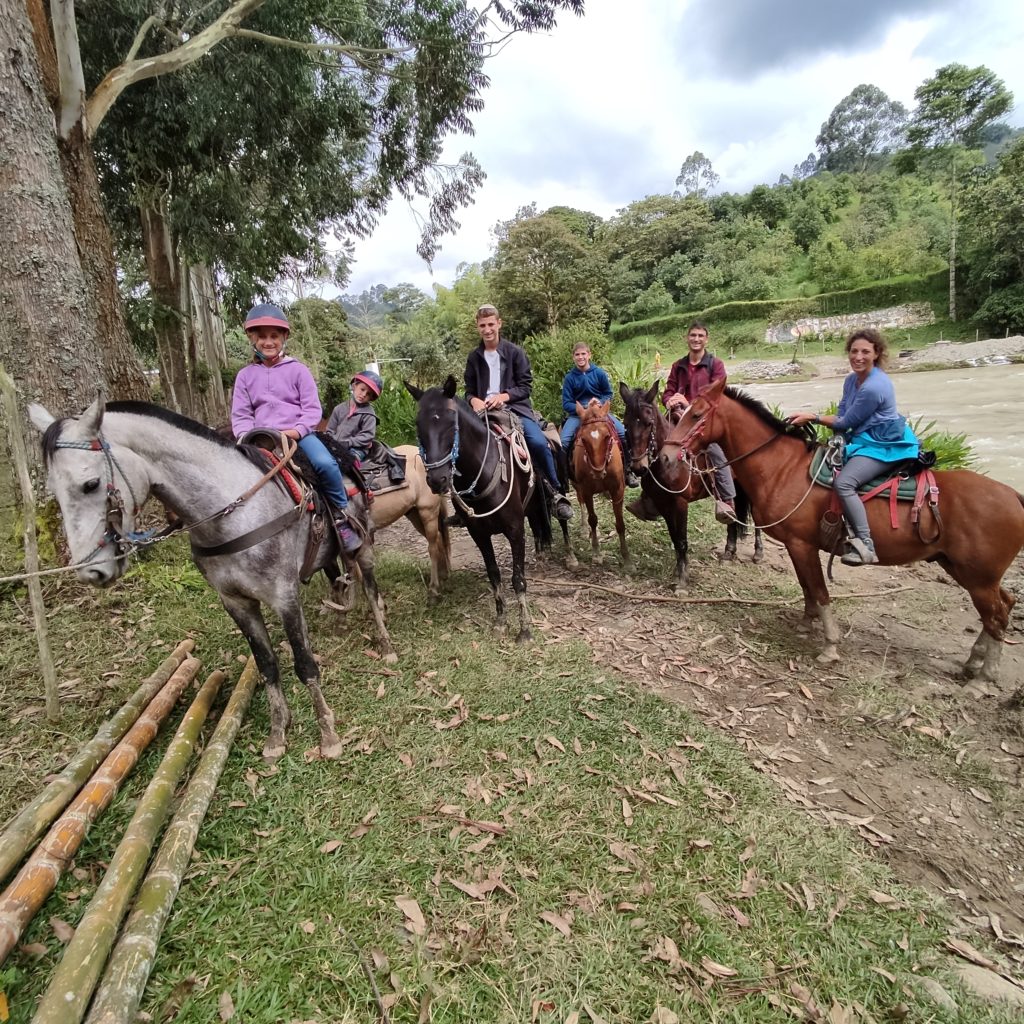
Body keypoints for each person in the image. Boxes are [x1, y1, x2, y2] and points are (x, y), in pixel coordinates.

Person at [230, 303, 362, 553]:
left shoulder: (298, 370)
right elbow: (241, 414)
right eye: (262, 337)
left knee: (325, 464)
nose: (268, 342)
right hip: (259, 440)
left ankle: (343, 517)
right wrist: (246, 436)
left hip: (298, 436)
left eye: (274, 336)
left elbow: (312, 409)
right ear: (253, 339)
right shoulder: (245, 376)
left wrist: (296, 431)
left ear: (283, 338)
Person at [788, 327, 921, 566]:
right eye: (854, 351)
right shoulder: (852, 380)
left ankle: (865, 543)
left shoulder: (874, 386)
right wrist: (838, 437)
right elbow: (842, 413)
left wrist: (812, 417)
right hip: (862, 437)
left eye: (865, 352)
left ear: (877, 353)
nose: (858, 357)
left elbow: (847, 421)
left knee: (845, 482)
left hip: (883, 443)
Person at [464, 304, 574, 521]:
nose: (487, 329)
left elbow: (525, 386)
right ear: (478, 327)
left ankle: (555, 492)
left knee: (539, 443)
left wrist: (502, 397)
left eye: (491, 324)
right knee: (461, 445)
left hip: (514, 409)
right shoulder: (474, 358)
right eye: (482, 325)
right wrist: (473, 400)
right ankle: (465, 500)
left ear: (499, 323)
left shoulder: (515, 352)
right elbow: (468, 390)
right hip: (482, 412)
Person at [662, 320, 737, 523]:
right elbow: (668, 390)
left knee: (716, 451)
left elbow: (717, 397)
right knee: (658, 443)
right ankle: (651, 495)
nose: (696, 339)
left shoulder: (716, 365)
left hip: (705, 421)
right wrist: (670, 400)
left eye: (700, 336)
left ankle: (726, 499)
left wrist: (689, 403)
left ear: (706, 339)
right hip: (679, 417)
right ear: (687, 338)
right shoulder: (678, 366)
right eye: (692, 335)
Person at [560, 341, 640, 487]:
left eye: (583, 354)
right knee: (563, 442)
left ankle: (628, 471)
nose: (580, 357)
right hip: (578, 415)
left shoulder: (599, 373)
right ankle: (564, 479)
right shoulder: (569, 378)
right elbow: (566, 403)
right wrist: (584, 407)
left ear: (589, 355)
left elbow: (608, 393)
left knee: (622, 433)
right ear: (573, 357)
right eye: (577, 355)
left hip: (600, 413)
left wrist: (600, 402)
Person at [326, 369, 382, 463]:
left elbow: (367, 435)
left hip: (358, 449)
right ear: (354, 386)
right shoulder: (339, 409)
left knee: (350, 461)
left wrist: (349, 443)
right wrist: (332, 442)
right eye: (362, 389)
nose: (363, 394)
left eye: (368, 394)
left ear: (371, 398)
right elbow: (330, 430)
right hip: (337, 446)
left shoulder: (369, 414)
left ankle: (357, 474)